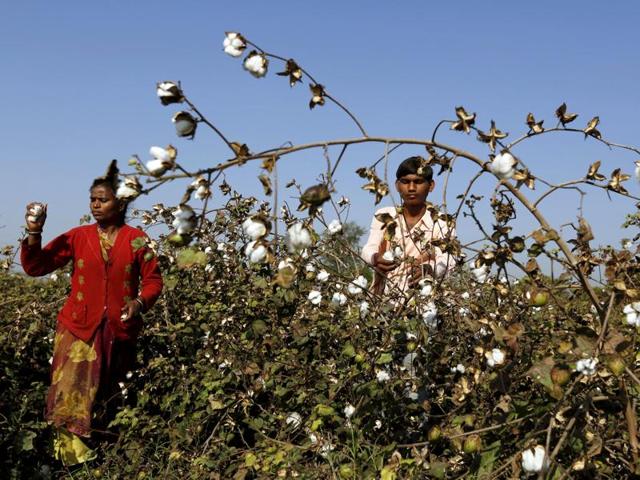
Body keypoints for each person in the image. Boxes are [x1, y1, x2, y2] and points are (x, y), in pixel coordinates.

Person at [21, 161, 163, 465]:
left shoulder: (138, 239)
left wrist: (139, 303)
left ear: (121, 202)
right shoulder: (78, 236)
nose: (95, 205)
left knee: (109, 395)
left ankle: (106, 461)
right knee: (69, 392)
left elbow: (153, 281)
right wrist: (34, 231)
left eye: (103, 199)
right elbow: (36, 266)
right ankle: (71, 463)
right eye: (93, 200)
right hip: (77, 328)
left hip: (118, 331)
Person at [361, 156, 456, 295]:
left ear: (431, 186)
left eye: (418, 182)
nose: (411, 188)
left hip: (423, 305)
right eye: (405, 182)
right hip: (382, 302)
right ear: (397, 185)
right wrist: (376, 258)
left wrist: (429, 269)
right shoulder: (385, 215)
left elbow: (448, 261)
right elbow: (368, 248)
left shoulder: (442, 222)